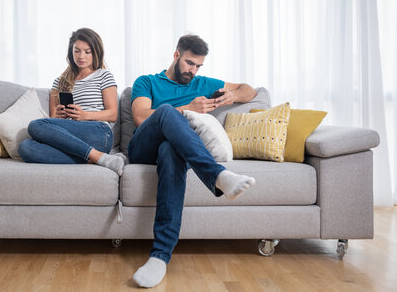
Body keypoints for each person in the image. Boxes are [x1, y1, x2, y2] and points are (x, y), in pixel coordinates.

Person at [129, 34, 257, 288]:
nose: (193, 70)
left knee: (170, 151)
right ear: (176, 56)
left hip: (175, 149)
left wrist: (233, 96)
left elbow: (250, 89)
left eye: (198, 66)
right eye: (189, 63)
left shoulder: (202, 83)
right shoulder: (147, 81)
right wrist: (188, 107)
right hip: (142, 148)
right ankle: (217, 175)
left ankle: (159, 257)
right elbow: (141, 118)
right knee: (165, 110)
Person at [18, 28, 125, 175]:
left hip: (98, 133)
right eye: (77, 51)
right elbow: (53, 120)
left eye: (88, 52)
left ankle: (96, 155)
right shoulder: (59, 82)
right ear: (71, 52)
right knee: (25, 147)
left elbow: (112, 114)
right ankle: (96, 158)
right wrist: (59, 116)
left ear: (96, 53)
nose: (81, 56)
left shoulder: (104, 76)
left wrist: (84, 115)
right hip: (70, 135)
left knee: (35, 125)